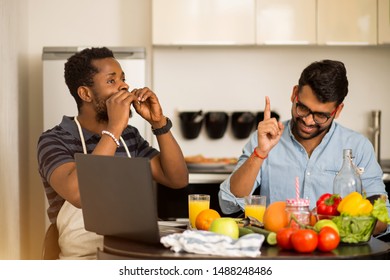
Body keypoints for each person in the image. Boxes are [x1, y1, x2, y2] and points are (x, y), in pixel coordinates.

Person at [37, 47, 189, 259]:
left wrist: (159, 123)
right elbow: (79, 194)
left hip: (133, 254)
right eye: (111, 81)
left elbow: (178, 179)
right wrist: (115, 127)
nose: (124, 86)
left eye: (123, 79)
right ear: (85, 93)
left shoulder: (130, 137)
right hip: (83, 261)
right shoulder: (54, 140)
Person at [219, 59, 389, 237]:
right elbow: (228, 202)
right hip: (278, 252)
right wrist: (260, 154)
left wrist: (331, 222)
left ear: (337, 110)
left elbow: (383, 218)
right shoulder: (265, 139)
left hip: (335, 253)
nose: (308, 121)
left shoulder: (358, 147)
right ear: (294, 94)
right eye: (302, 108)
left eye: (321, 115)